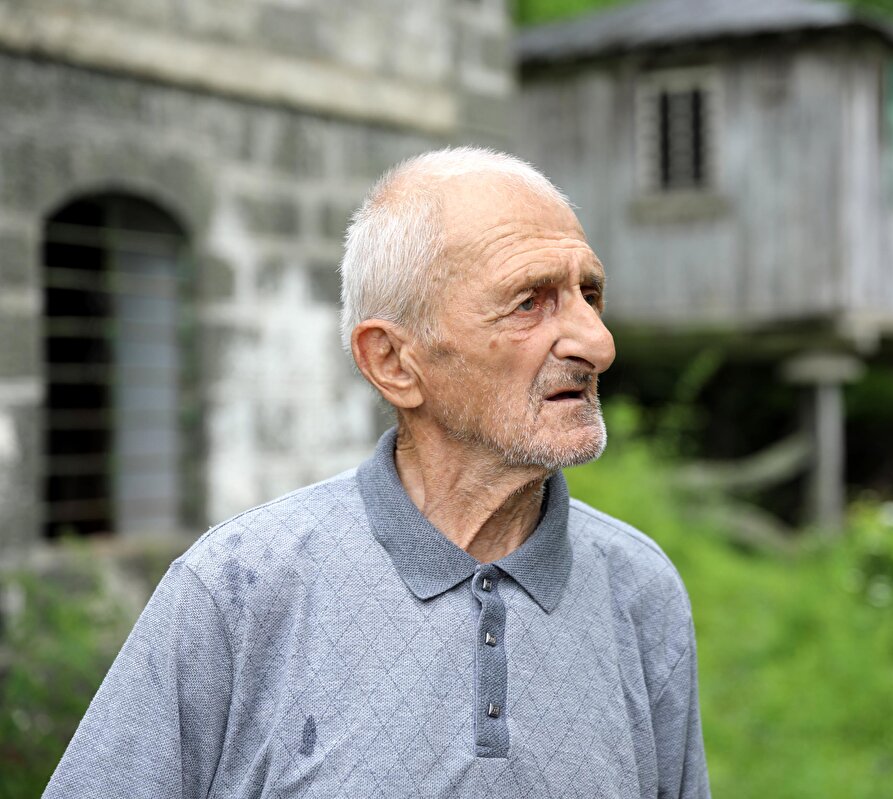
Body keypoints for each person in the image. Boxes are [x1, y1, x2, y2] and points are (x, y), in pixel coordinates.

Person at [43, 147, 709, 798]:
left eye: (588, 293)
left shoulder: (641, 591)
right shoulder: (238, 590)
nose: (597, 341)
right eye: (529, 302)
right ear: (393, 361)